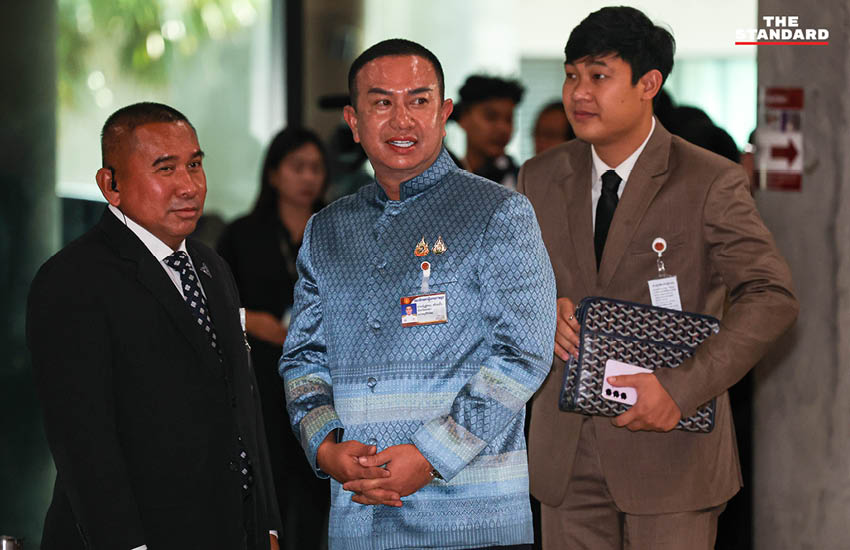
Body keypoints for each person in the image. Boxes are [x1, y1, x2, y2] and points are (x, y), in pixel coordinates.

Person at [517, 7, 798, 550]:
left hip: (671, 449)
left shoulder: (709, 179)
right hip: (566, 454)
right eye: (571, 74)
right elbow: (512, 288)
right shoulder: (540, 176)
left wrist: (681, 387)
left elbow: (772, 297)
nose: (578, 92)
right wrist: (539, 311)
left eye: (599, 76)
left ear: (649, 84)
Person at [279, 39, 556, 550]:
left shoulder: (498, 213)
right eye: (382, 103)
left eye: (419, 100)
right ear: (354, 121)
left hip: (473, 518)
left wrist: (430, 455)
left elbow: (525, 352)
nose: (401, 120)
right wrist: (324, 447)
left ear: (445, 112)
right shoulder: (328, 230)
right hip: (358, 515)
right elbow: (302, 358)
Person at [27, 102, 281, 550]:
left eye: (195, 165)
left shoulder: (209, 265)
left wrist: (267, 528)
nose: (189, 186)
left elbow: (242, 405)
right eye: (165, 169)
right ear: (112, 185)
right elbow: (84, 443)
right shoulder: (73, 280)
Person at [217, 127, 329, 550]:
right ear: (274, 174)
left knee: (319, 489)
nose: (308, 178)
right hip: (262, 376)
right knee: (269, 488)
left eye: (316, 168)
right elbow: (213, 305)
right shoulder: (243, 233)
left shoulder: (337, 227)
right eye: (297, 167)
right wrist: (249, 319)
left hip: (324, 377)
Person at [453, 74, 525, 189]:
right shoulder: (445, 178)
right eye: (491, 117)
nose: (503, 128)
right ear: (463, 118)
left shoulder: (523, 183)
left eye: (509, 119)